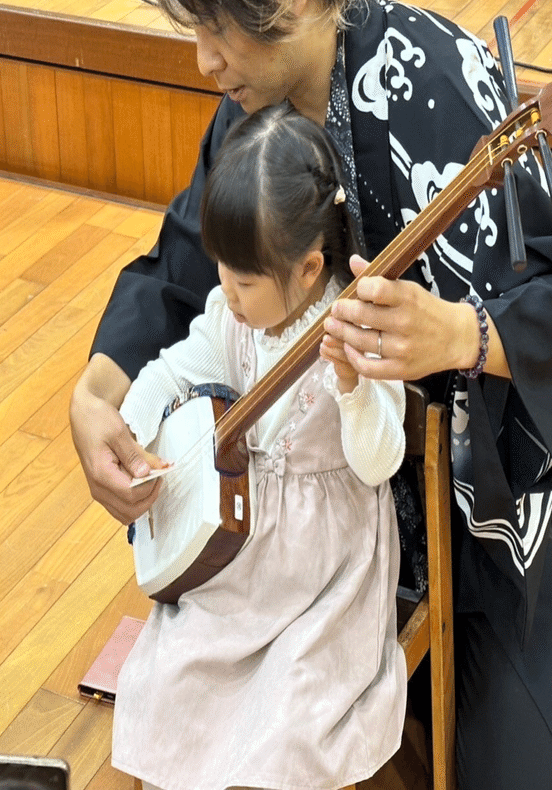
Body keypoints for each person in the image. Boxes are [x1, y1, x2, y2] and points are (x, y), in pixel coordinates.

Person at [68, 0, 552, 788]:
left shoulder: (437, 83)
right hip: (304, 503)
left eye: (216, 27)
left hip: (471, 517)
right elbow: (185, 259)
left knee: (519, 759)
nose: (202, 60)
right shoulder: (251, 104)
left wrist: (460, 334)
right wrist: (97, 392)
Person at [111, 103, 408, 790]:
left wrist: (353, 389)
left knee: (288, 723)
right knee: (169, 680)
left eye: (244, 280)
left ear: (308, 269)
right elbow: (169, 373)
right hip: (241, 564)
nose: (227, 290)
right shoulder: (232, 318)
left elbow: (380, 461)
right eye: (222, 269)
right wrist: (130, 430)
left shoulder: (357, 330)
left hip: (326, 580)